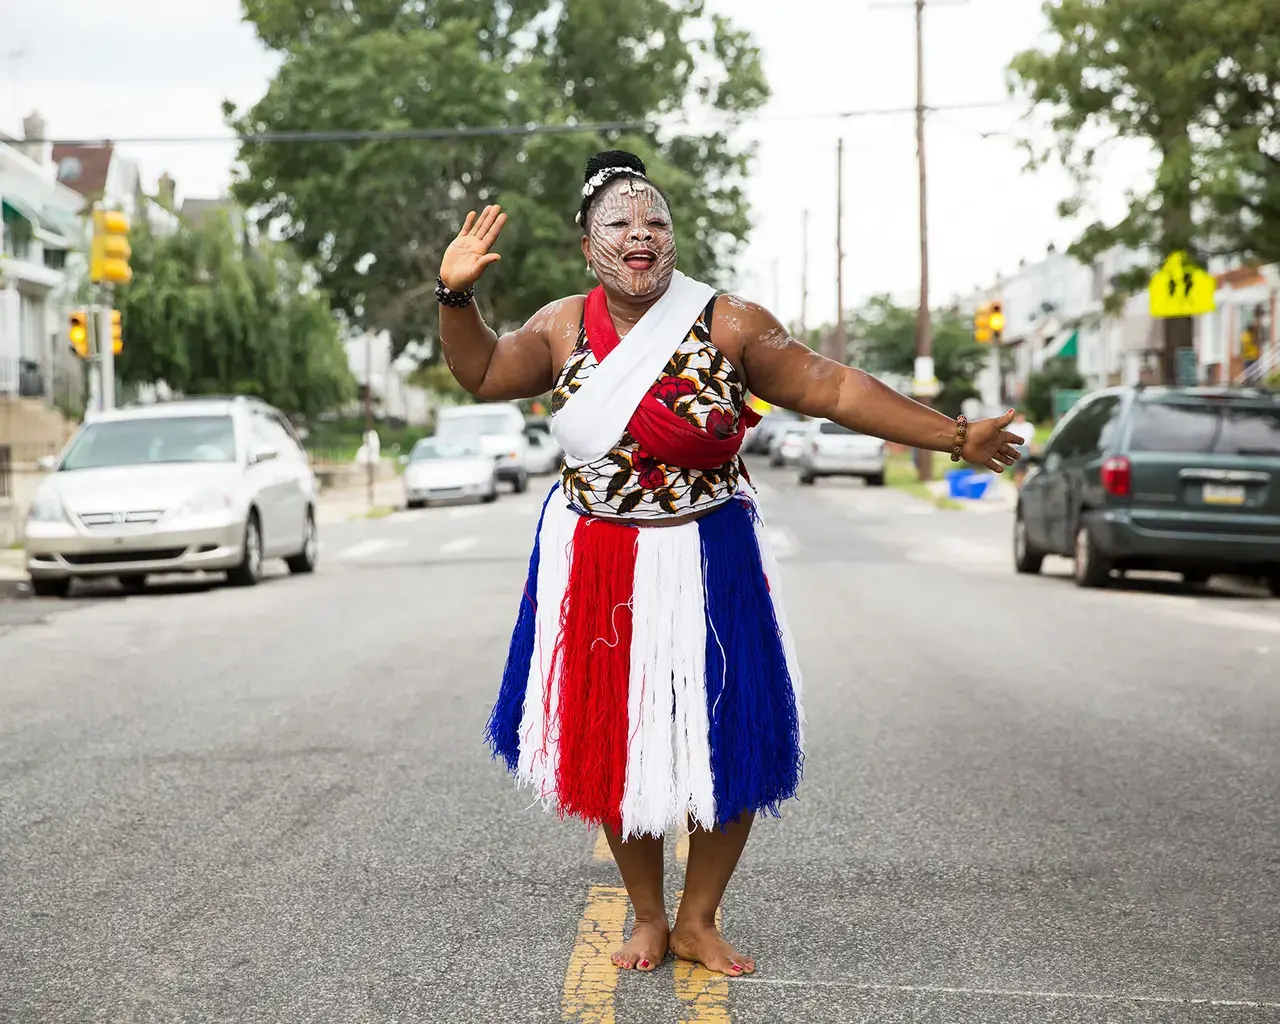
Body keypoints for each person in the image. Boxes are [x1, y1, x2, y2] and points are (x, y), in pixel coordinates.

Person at [436, 151, 1021, 978]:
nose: (641, 235)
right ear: (587, 246)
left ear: (673, 238)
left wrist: (954, 435)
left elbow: (831, 386)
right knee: (619, 741)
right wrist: (456, 297)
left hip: (711, 553)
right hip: (597, 559)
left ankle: (698, 918)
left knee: (729, 733)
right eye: (620, 224)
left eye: (656, 223)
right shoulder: (561, 325)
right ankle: (646, 916)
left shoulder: (730, 321)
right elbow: (481, 372)